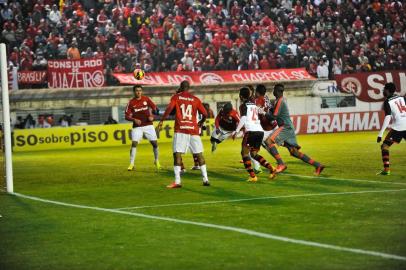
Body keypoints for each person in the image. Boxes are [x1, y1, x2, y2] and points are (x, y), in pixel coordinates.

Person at [158, 80, 209, 188]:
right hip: (194, 130)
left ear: (181, 87)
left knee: (177, 154)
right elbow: (205, 113)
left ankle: (177, 181)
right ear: (188, 88)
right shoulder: (195, 99)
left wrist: (162, 120)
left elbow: (169, 109)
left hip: (181, 129)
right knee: (199, 154)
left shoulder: (176, 97)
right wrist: (201, 122)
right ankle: (205, 179)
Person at [265, 84, 325, 176]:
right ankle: (318, 165)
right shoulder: (279, 101)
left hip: (285, 127)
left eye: (274, 90)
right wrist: (269, 108)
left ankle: (281, 164)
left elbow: (274, 117)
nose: (273, 92)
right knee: (294, 152)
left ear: (277, 91)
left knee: (269, 141)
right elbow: (274, 113)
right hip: (287, 127)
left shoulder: (280, 101)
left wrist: (264, 113)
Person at [232, 87, 276, 182]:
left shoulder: (243, 105)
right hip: (259, 131)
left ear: (241, 96)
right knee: (254, 154)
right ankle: (271, 168)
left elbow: (243, 118)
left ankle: (253, 176)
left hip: (251, 132)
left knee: (244, 153)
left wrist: (236, 131)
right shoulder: (254, 105)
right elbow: (261, 113)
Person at [125, 85, 161, 171]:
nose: (138, 92)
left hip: (148, 125)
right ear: (134, 92)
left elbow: (156, 109)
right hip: (137, 126)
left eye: (140, 90)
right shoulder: (131, 103)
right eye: (137, 90)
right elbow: (126, 116)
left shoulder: (146, 99)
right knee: (134, 143)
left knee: (155, 144)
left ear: (142, 91)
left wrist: (152, 116)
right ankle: (131, 164)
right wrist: (134, 119)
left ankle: (156, 161)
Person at [376, 83, 406, 175]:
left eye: (384, 89)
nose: (383, 91)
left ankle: (386, 170)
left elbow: (388, 117)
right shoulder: (402, 98)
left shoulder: (387, 101)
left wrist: (380, 133)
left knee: (384, 146)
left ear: (387, 90)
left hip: (398, 127)